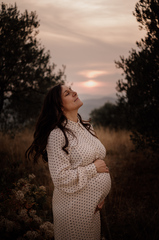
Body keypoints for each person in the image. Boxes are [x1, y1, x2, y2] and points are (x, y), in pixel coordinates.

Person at [26, 83, 111, 240]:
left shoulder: (87, 127)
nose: (74, 93)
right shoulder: (57, 135)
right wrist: (93, 169)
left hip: (92, 208)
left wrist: (100, 195)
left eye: (72, 90)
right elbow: (60, 178)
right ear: (59, 106)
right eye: (67, 93)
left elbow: (99, 163)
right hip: (73, 210)